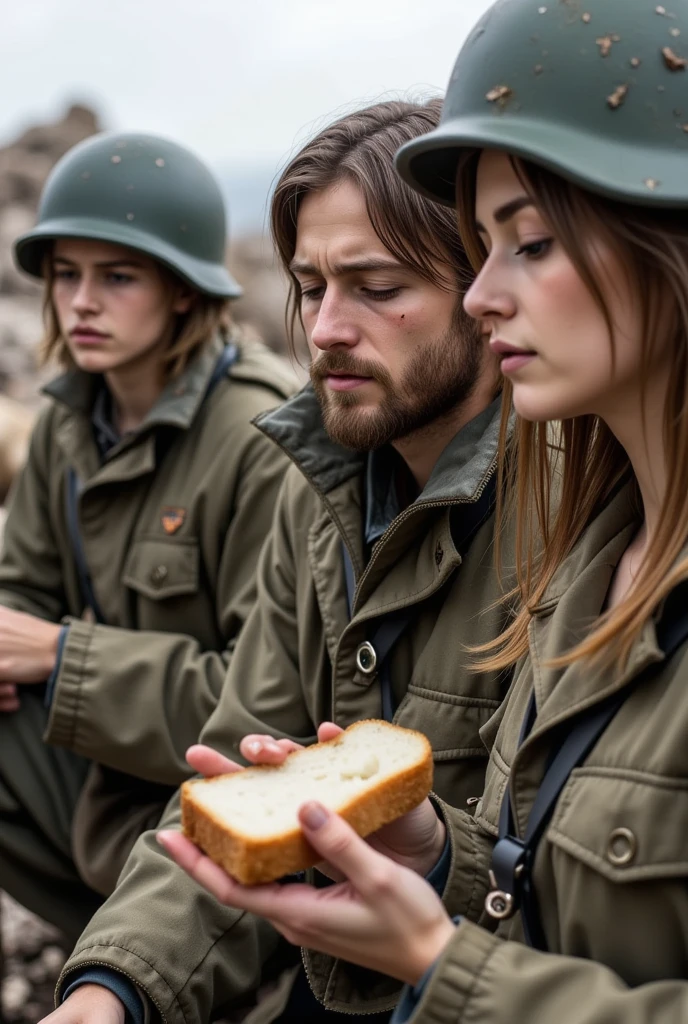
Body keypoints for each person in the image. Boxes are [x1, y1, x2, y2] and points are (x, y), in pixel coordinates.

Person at [158, 1, 688, 1022]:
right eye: (306, 289)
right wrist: (436, 854)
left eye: (529, 243)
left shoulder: (546, 530)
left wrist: (439, 960)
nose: (486, 293)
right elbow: (535, 898)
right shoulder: (591, 563)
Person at [45, 99, 510, 1024]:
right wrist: (110, 989)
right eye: (308, 288)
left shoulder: (579, 512)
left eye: (377, 288)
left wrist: (60, 661)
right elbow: (239, 777)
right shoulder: (323, 488)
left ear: (487, 290)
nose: (327, 328)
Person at [0, 131, 296, 963]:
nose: (80, 303)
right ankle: (108, 958)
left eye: (117, 276)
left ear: (181, 291)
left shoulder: (259, 432)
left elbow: (268, 710)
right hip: (113, 774)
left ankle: (198, 976)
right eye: (65, 274)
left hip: (234, 798)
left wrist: (59, 655)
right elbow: (22, 586)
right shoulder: (66, 419)